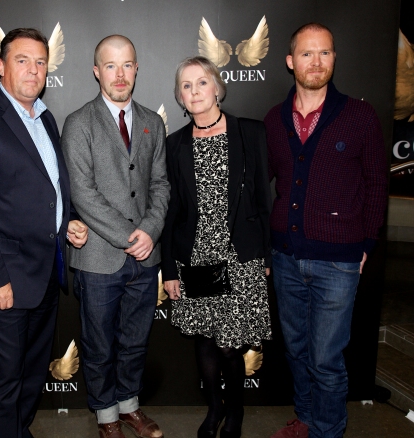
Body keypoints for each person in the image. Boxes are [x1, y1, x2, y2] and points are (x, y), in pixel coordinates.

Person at [0, 27, 88, 438]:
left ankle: (14, 430)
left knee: (29, 374)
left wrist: (69, 222)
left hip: (44, 275)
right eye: (22, 60)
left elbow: (53, 191)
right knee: (3, 382)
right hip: (3, 280)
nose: (33, 70)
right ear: (0, 66)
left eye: (40, 62)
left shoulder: (44, 117)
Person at [265, 23, 387, 438]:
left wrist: (367, 241)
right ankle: (306, 418)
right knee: (296, 352)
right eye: (306, 54)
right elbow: (264, 185)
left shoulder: (360, 115)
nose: (316, 62)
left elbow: (376, 183)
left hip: (338, 261)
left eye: (325, 53)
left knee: (326, 360)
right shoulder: (274, 119)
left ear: (334, 58)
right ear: (290, 61)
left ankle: (328, 432)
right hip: (285, 258)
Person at [61, 35, 170, 438]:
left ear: (137, 69)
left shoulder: (152, 122)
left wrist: (151, 231)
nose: (120, 74)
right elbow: (83, 194)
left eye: (127, 65)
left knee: (135, 340)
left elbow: (161, 184)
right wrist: (132, 236)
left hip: (146, 257)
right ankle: (106, 415)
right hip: (98, 257)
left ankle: (129, 406)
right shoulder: (78, 123)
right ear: (96, 71)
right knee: (99, 343)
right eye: (110, 65)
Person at [161, 56, 272, 438]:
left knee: (230, 346)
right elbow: (172, 211)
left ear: (217, 88)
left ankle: (236, 412)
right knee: (208, 342)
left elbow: (263, 199)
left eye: (201, 83)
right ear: (180, 96)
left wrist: (267, 256)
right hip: (200, 255)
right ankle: (214, 410)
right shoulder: (175, 145)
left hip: (240, 257)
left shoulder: (249, 133)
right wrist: (170, 269)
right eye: (186, 86)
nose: (194, 92)